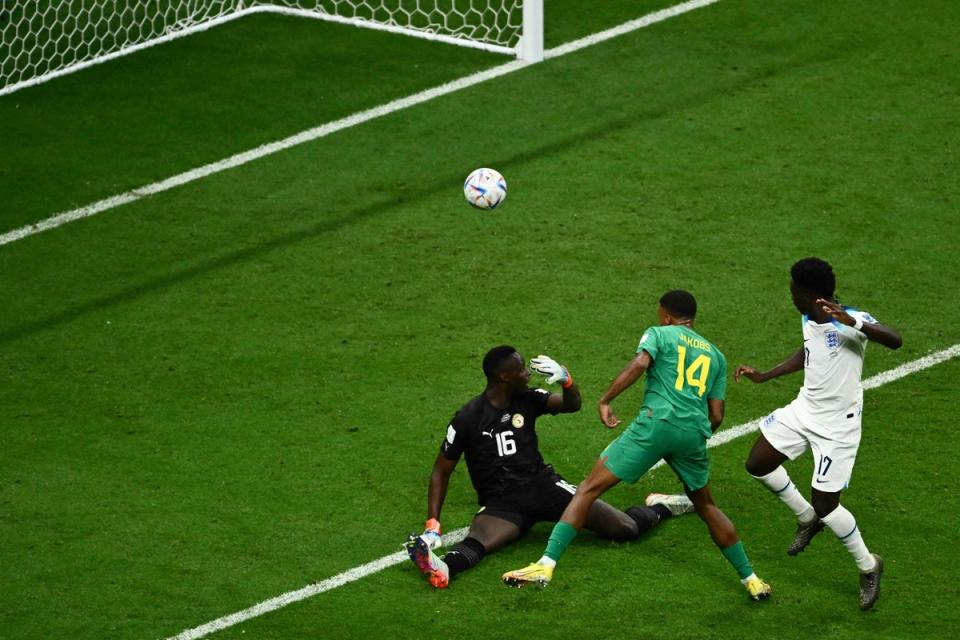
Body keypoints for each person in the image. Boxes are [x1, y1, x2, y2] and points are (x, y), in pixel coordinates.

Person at [502, 291, 772, 601]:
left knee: (588, 488)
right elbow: (717, 415)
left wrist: (605, 400)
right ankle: (751, 579)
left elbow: (639, 364)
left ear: (668, 317)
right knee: (706, 506)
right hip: (693, 434)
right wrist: (691, 437)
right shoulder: (716, 356)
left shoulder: (659, 334)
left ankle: (545, 565)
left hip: (654, 426)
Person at [405, 345, 693, 588]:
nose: (527, 373)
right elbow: (441, 470)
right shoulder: (468, 417)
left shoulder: (528, 398)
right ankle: (442, 569)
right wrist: (433, 524)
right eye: (520, 369)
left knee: (625, 528)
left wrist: (566, 380)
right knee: (478, 542)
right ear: (504, 376)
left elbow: (572, 405)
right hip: (502, 503)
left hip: (545, 488)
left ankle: (662, 506)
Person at [735, 257, 902, 610]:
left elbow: (895, 340)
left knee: (827, 504)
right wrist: (766, 375)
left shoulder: (852, 320)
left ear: (808, 293)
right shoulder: (809, 316)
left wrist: (852, 320)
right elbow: (809, 351)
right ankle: (805, 517)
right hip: (804, 410)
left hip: (837, 426)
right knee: (758, 463)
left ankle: (868, 566)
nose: (790, 296)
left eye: (794, 291)